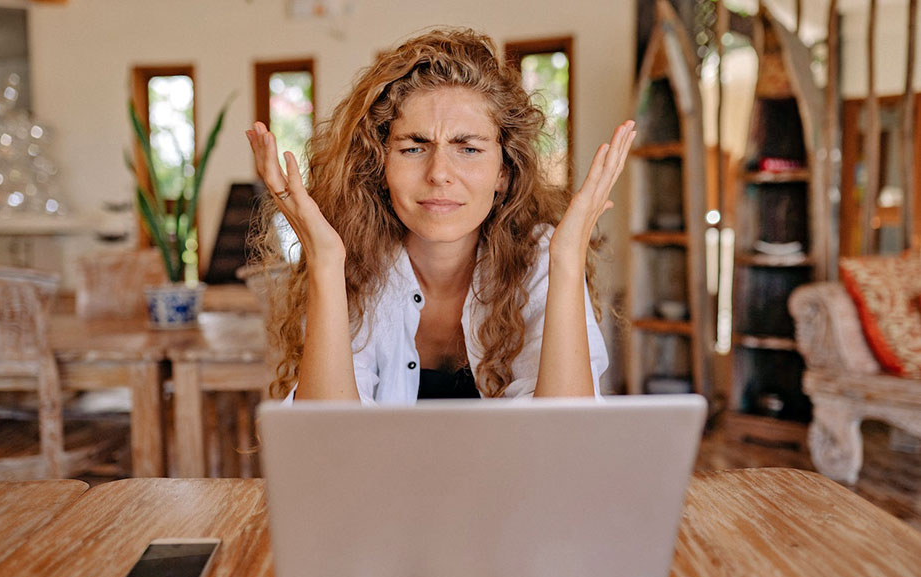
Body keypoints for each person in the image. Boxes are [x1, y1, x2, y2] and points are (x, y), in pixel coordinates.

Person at [246, 28, 635, 403]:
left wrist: (566, 259)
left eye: (467, 148)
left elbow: (565, 440)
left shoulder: (538, 256)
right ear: (380, 166)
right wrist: (326, 263)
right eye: (414, 148)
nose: (439, 173)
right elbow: (326, 444)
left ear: (503, 171)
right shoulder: (353, 261)